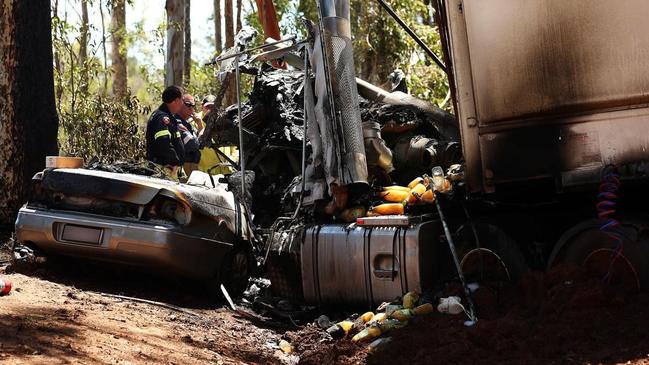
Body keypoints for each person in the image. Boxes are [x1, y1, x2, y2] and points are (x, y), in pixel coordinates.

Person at [146, 85, 185, 179]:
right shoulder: (162, 118)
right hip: (164, 170)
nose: (182, 103)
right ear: (175, 101)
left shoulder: (166, 117)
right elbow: (163, 142)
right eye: (181, 100)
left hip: (168, 169)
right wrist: (173, 162)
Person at [175, 93, 201, 176]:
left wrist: (200, 124)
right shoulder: (176, 122)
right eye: (188, 105)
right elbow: (194, 144)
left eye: (193, 106)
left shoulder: (187, 124)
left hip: (192, 169)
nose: (191, 108)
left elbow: (201, 141)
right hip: (181, 169)